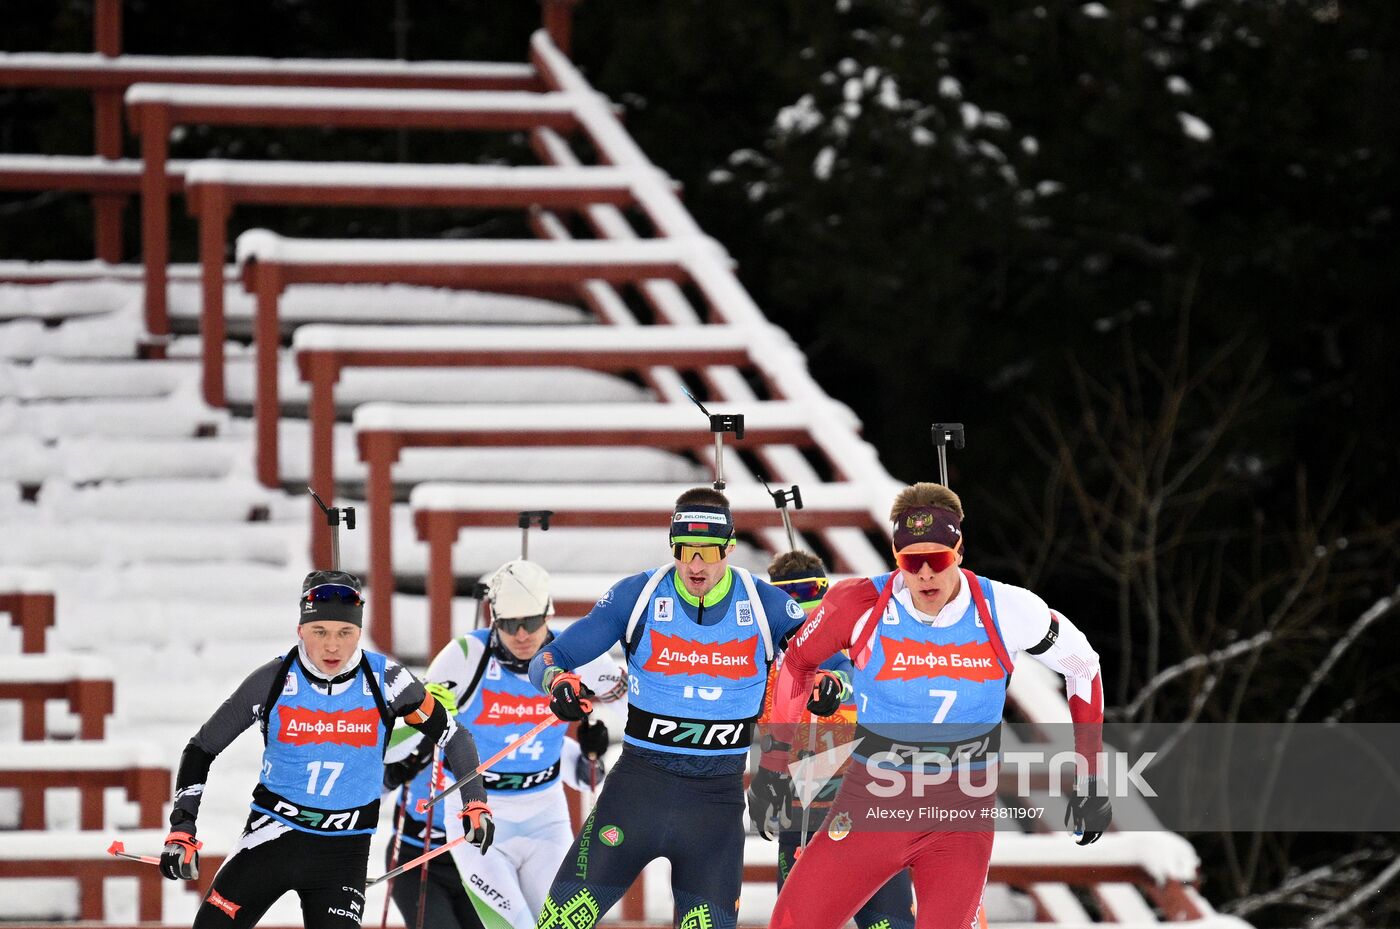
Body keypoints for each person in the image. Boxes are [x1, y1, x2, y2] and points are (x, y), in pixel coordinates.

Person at [753, 483, 1112, 929]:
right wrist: (773, 767)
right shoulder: (858, 604)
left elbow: (1084, 666)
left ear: (959, 550)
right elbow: (796, 664)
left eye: (937, 559)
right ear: (894, 555)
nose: (925, 574)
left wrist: (1090, 776)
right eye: (910, 560)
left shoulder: (1007, 608)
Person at [525, 487, 810, 929]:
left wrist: (833, 679)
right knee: (557, 924)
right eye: (685, 551)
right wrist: (556, 682)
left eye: (708, 551)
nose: (696, 565)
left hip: (714, 807)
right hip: (638, 791)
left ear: (729, 547)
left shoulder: (763, 604)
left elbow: (829, 656)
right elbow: (548, 657)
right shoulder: (637, 596)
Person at [158, 570, 495, 929]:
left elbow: (455, 736)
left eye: (344, 633)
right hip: (270, 838)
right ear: (300, 630)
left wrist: (474, 801)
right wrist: (182, 826)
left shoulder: (388, 680)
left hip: (343, 853)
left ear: (359, 633)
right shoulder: (272, 681)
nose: (332, 646)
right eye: (320, 632)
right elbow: (201, 748)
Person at [384, 559, 626, 929]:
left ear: (549, 614)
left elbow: (634, 698)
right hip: (480, 814)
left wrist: (596, 738)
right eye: (509, 624)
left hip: (545, 814)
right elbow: (405, 734)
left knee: (563, 924)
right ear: (493, 618)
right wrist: (427, 716)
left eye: (530, 621)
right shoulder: (465, 656)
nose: (522, 634)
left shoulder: (578, 652)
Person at [760, 550, 917, 929]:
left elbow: (849, 675)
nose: (807, 609)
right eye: (793, 600)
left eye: (815, 596)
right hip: (805, 816)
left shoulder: (861, 643)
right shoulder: (768, 660)